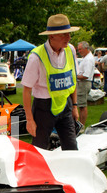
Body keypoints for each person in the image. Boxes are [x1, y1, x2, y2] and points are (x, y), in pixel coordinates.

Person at [21, 13, 80, 150]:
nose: (68, 38)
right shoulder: (36, 57)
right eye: (64, 34)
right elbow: (26, 90)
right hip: (43, 108)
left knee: (71, 147)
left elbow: (73, 80)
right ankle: (36, 171)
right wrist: (30, 120)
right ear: (51, 36)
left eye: (69, 34)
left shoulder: (70, 50)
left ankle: (69, 171)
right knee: (39, 148)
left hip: (65, 104)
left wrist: (75, 106)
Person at [76, 41, 95, 128]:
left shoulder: (88, 59)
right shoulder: (86, 57)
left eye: (80, 49)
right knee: (81, 105)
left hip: (83, 83)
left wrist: (75, 76)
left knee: (82, 106)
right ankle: (80, 125)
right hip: (82, 83)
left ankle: (81, 126)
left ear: (86, 48)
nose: (79, 51)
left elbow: (86, 75)